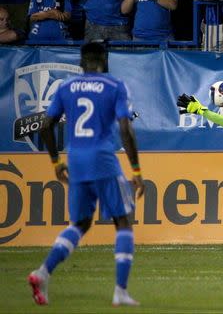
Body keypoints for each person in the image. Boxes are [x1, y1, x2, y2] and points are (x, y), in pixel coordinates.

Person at [27, 42, 144, 307]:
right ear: (105, 60)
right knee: (123, 221)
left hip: (76, 160)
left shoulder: (65, 87)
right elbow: (126, 129)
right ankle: (120, 291)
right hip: (103, 159)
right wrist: (136, 169)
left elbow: (45, 126)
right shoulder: (115, 86)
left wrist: (56, 163)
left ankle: (42, 272)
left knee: (80, 223)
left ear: (82, 62)